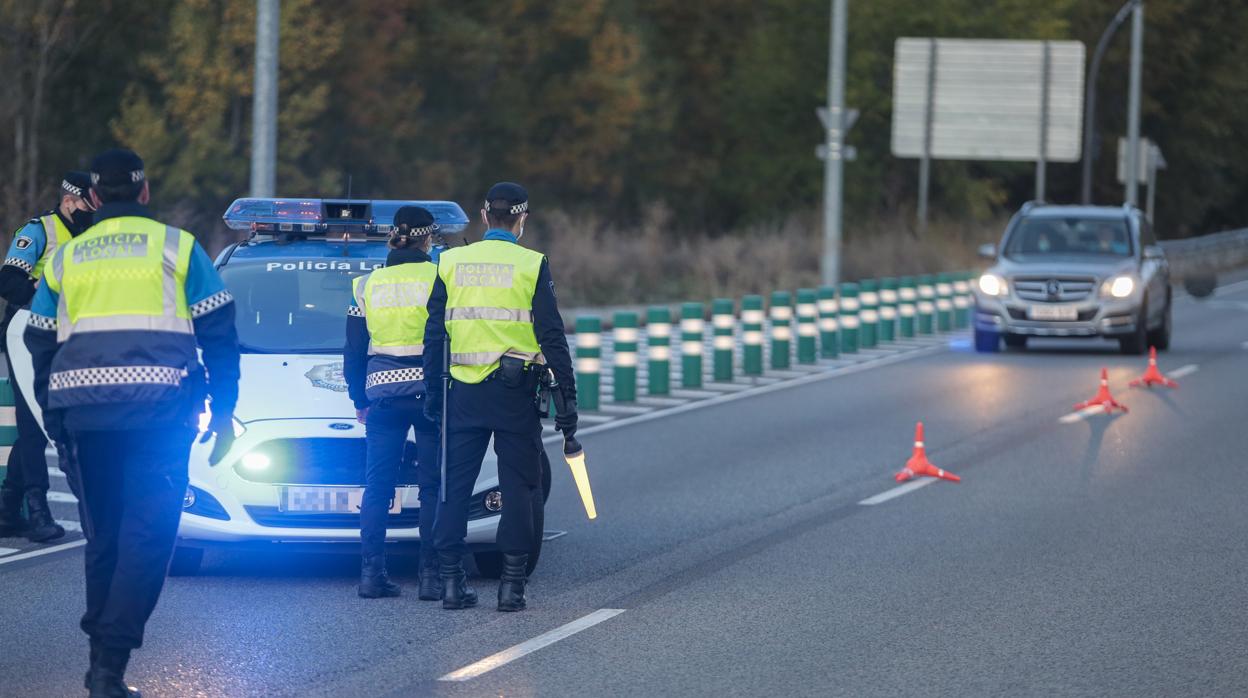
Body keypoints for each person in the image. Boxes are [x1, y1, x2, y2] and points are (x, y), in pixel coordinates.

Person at [24, 148, 240, 698]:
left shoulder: (67, 259)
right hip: (160, 416)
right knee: (148, 540)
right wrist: (226, 409)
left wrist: (54, 416)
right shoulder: (179, 248)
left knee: (106, 541)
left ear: (95, 197)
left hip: (84, 420)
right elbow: (218, 331)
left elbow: (40, 342)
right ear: (144, 192)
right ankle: (108, 665)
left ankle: (103, 669)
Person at [423, 182, 577, 612]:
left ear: (485, 215)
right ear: (522, 219)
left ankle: (452, 584)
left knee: (453, 488)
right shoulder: (531, 264)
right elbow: (552, 336)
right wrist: (568, 402)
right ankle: (512, 588)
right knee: (520, 489)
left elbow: (434, 335)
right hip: (515, 394)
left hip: (463, 393)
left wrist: (434, 397)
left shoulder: (450, 261)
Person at [344, 206, 443, 600]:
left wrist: (358, 397)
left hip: (382, 394)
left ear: (392, 238)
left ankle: (371, 575)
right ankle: (432, 578)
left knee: (378, 485)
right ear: (427, 239)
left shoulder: (366, 285)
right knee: (433, 486)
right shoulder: (440, 278)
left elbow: (353, 349)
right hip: (431, 393)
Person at [0, 171, 96, 541]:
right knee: (33, 422)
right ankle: (38, 510)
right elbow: (7, 282)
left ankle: (8, 506)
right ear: (71, 200)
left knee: (45, 419)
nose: (94, 211)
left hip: (70, 338)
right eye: (89, 204)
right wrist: (40, 291)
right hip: (27, 333)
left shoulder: (93, 237)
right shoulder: (39, 230)